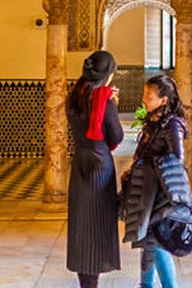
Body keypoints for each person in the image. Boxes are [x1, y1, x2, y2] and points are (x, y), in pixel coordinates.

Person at [121, 73, 192, 288]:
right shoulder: (153, 121)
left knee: (156, 241)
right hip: (148, 191)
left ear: (163, 100)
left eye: (149, 95)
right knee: (149, 241)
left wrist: (146, 164)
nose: (144, 99)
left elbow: (177, 159)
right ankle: (146, 285)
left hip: (161, 194)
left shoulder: (172, 125)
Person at [66, 50, 124, 288]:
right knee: (98, 223)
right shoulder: (104, 101)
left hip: (80, 161)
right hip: (99, 164)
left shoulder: (74, 96)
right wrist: (113, 107)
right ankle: (93, 279)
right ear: (108, 74)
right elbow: (116, 135)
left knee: (81, 223)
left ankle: (85, 281)